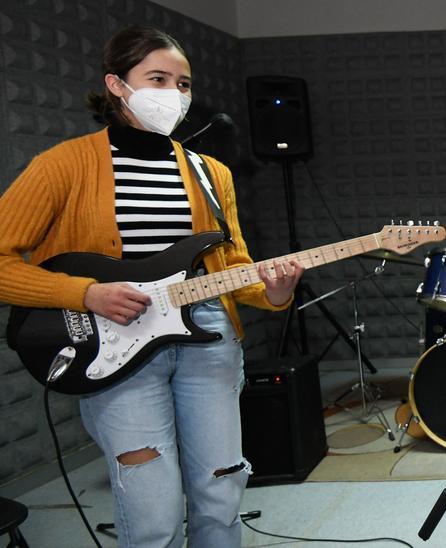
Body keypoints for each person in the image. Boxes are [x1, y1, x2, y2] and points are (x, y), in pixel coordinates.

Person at [0, 26, 304, 547]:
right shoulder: (61, 166)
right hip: (112, 338)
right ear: (116, 84)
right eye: (157, 79)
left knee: (222, 488)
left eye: (183, 84)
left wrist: (275, 293)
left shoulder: (212, 173)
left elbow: (231, 265)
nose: (175, 95)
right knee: (153, 507)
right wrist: (85, 294)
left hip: (206, 334)